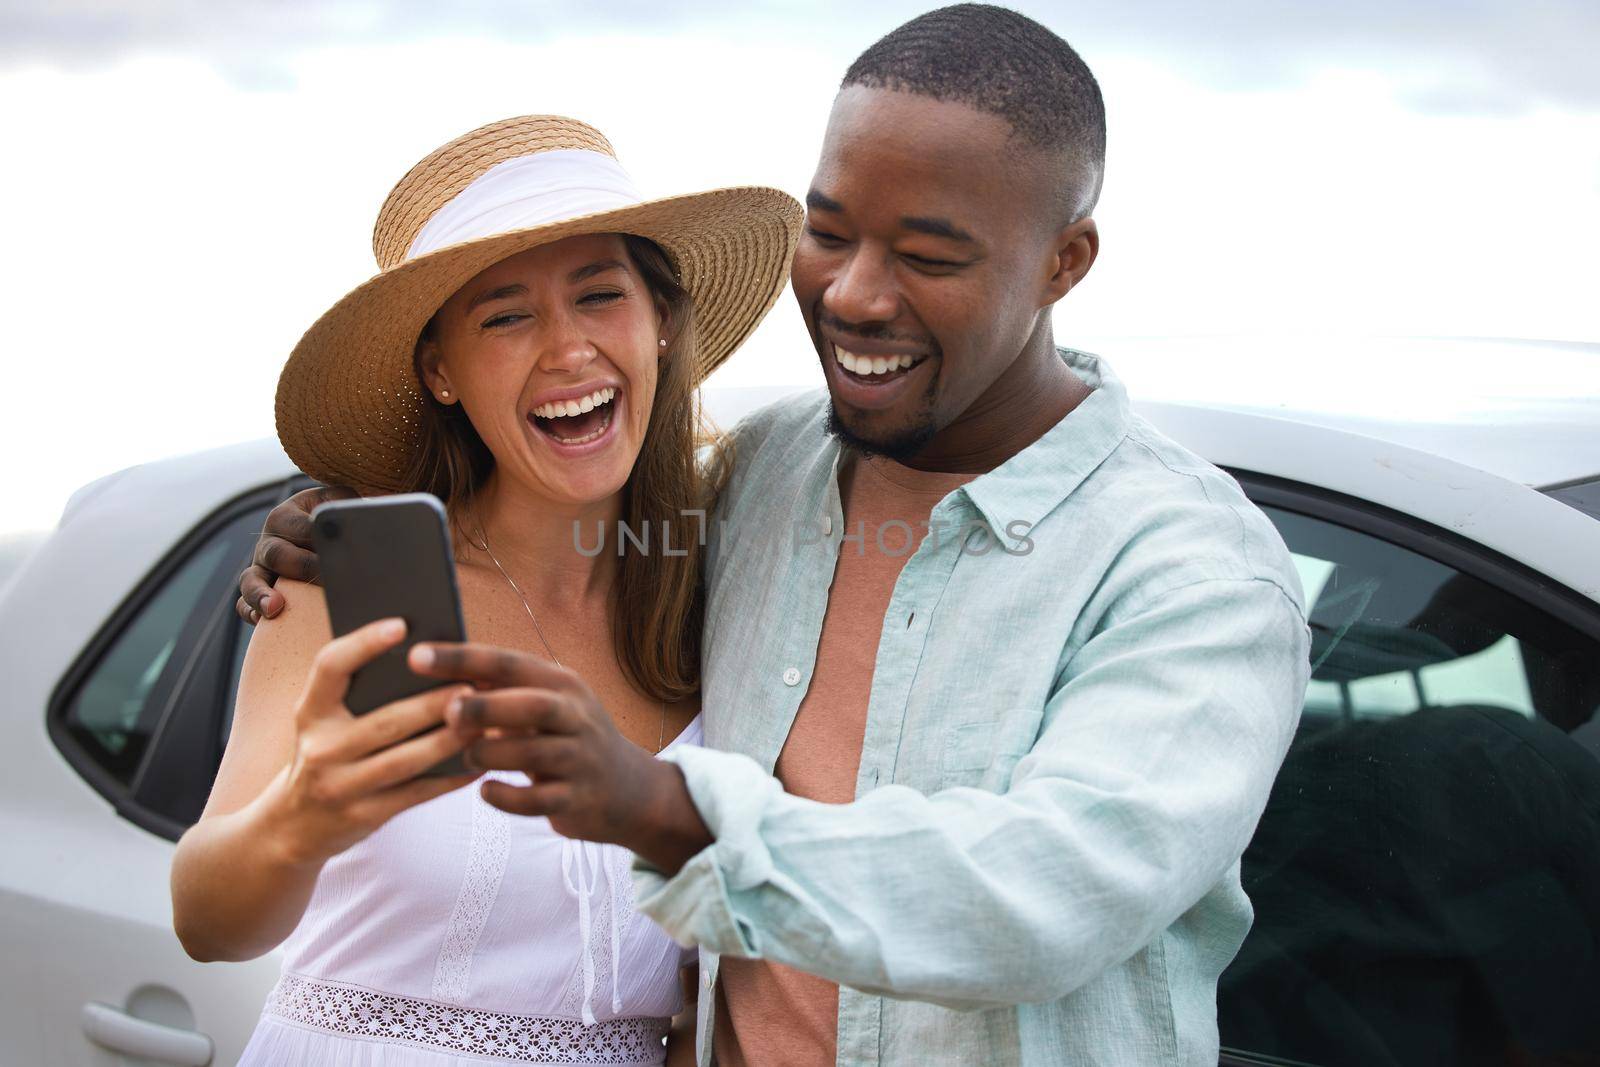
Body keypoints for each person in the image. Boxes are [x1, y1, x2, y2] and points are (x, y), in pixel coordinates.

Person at [241, 7, 1314, 1065]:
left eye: (929, 257)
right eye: (831, 232)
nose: (852, 294)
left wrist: (666, 809)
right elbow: (556, 527)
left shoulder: (1194, 571)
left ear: (1063, 261)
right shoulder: (760, 478)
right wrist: (342, 514)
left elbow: (1045, 895)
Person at [174, 114, 802, 1066]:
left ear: (662, 322)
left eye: (601, 295)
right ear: (440, 371)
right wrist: (308, 809)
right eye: (506, 315)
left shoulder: (726, 602)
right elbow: (206, 921)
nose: (568, 349)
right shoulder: (340, 589)